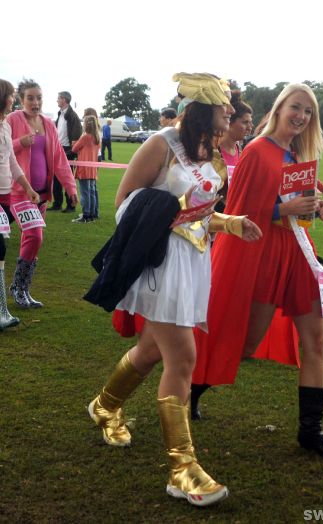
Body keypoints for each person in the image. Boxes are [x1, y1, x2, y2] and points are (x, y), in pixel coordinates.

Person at [87, 72, 262, 507]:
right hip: (161, 264)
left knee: (151, 351)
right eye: (226, 109)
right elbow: (124, 203)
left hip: (194, 263)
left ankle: (105, 406)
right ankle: (182, 469)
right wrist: (171, 211)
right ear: (206, 109)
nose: (232, 117)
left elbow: (204, 214)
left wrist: (230, 223)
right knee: (182, 357)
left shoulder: (213, 153)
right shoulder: (162, 144)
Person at [192, 83, 323, 461]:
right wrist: (284, 211)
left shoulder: (298, 153)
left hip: (299, 253)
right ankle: (193, 387)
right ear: (279, 109)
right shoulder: (257, 152)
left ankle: (311, 431)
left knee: (317, 340)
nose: (302, 116)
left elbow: (297, 202)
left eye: (308, 112)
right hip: (261, 253)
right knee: (244, 343)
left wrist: (316, 207)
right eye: (296, 107)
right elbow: (241, 210)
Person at [7, 79, 78, 308]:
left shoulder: (48, 124)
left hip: (41, 195)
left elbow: (59, 159)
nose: (35, 102)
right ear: (20, 99)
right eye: (30, 98)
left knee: (33, 241)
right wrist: (20, 143)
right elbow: (3, 148)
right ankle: (18, 288)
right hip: (19, 191)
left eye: (39, 97)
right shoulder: (13, 119)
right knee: (35, 235)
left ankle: (23, 290)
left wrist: (71, 187)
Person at [0, 79, 40, 330]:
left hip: (6, 196)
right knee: (0, 248)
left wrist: (28, 188)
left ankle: (2, 309)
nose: (13, 99)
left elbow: (12, 162)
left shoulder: (4, 127)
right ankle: (2, 310)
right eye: (11, 95)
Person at [49, 91, 82, 212]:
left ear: (64, 100)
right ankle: (57, 203)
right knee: (56, 177)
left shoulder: (72, 116)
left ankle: (70, 205)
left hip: (68, 151)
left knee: (68, 178)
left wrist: (72, 151)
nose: (57, 100)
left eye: (58, 98)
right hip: (58, 149)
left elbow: (76, 135)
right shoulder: (60, 114)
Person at [71, 115, 101, 223]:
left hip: (84, 169)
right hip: (92, 169)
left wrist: (76, 144)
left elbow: (74, 148)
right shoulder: (97, 137)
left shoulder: (85, 137)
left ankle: (86, 215)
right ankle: (92, 213)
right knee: (91, 192)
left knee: (85, 193)